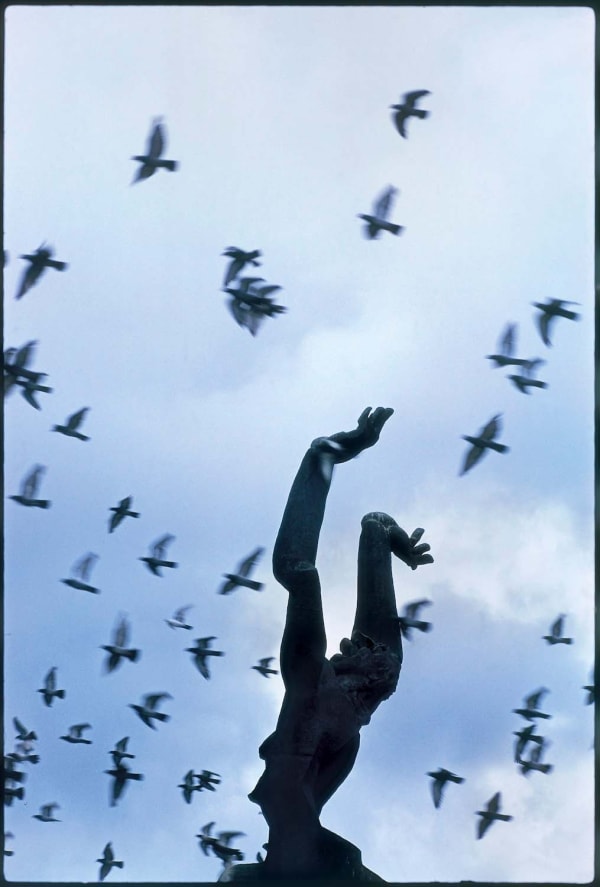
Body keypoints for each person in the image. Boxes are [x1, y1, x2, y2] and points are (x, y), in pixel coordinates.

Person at [248, 407, 434, 879]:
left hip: (295, 831)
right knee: (303, 579)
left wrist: (328, 454)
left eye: (355, 651)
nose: (347, 645)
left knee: (304, 579)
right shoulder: (345, 696)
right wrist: (328, 454)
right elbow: (370, 527)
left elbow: (300, 567)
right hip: (296, 831)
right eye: (354, 646)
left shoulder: (329, 692)